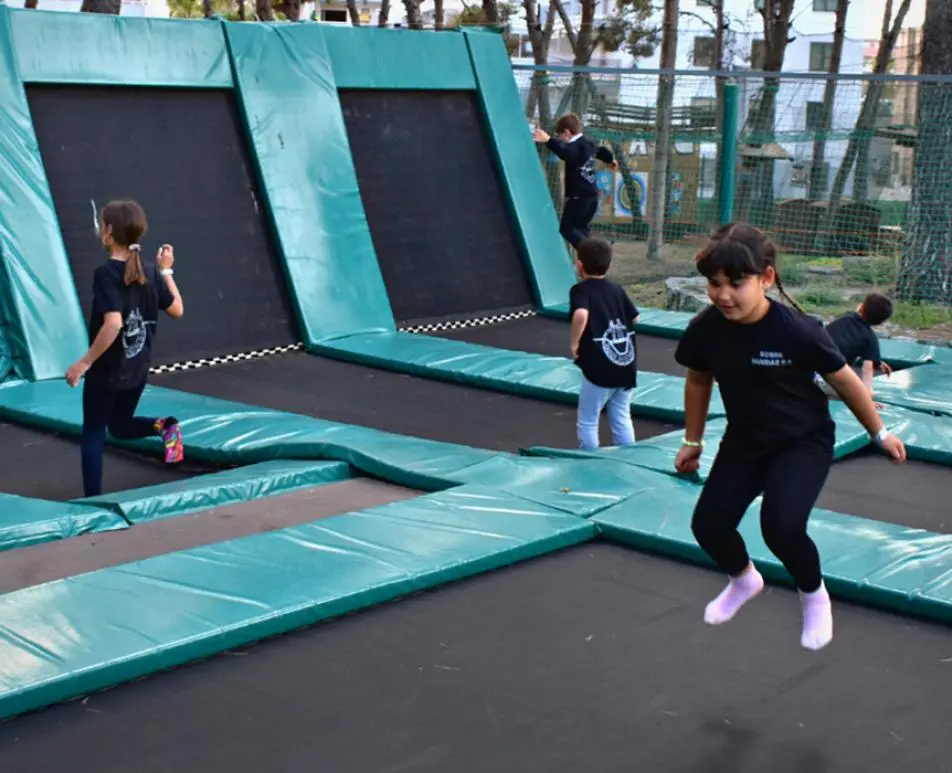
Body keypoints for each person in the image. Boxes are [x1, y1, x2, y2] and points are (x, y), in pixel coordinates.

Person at [672, 223, 906, 652]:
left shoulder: (797, 330)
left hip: (803, 441)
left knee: (781, 526)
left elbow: (849, 382)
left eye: (736, 283)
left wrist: (880, 432)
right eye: (714, 284)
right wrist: (693, 440)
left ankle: (814, 594)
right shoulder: (707, 328)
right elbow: (698, 380)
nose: (723, 295)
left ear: (766, 278)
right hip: (745, 441)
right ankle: (743, 580)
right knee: (708, 525)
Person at [66, 199, 186, 498]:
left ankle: (94, 501)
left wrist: (84, 363)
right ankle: (165, 426)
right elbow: (177, 310)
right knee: (119, 427)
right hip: (137, 368)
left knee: (94, 433)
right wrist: (166, 272)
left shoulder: (106, 274)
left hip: (108, 370)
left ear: (107, 232)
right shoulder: (149, 272)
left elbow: (113, 324)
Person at [569, 237, 639, 450]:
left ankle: (590, 461)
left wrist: (574, 342)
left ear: (579, 265)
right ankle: (630, 458)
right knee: (621, 415)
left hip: (599, 369)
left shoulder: (581, 290)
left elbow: (581, 314)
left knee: (588, 419)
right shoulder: (616, 289)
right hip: (626, 364)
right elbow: (635, 317)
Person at [532, 113, 618, 249]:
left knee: (566, 229)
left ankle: (589, 253)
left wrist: (548, 140)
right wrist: (611, 159)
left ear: (567, 132)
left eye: (561, 136)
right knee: (581, 229)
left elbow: (565, 152)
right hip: (592, 198)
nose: (561, 140)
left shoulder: (574, 147)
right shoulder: (589, 143)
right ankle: (588, 261)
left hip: (579, 199)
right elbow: (601, 151)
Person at [821, 293, 894, 400]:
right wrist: (867, 396)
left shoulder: (844, 318)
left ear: (861, 307)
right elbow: (867, 369)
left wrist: (877, 361)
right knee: (847, 393)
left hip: (807, 366)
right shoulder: (870, 338)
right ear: (880, 323)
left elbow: (845, 341)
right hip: (828, 377)